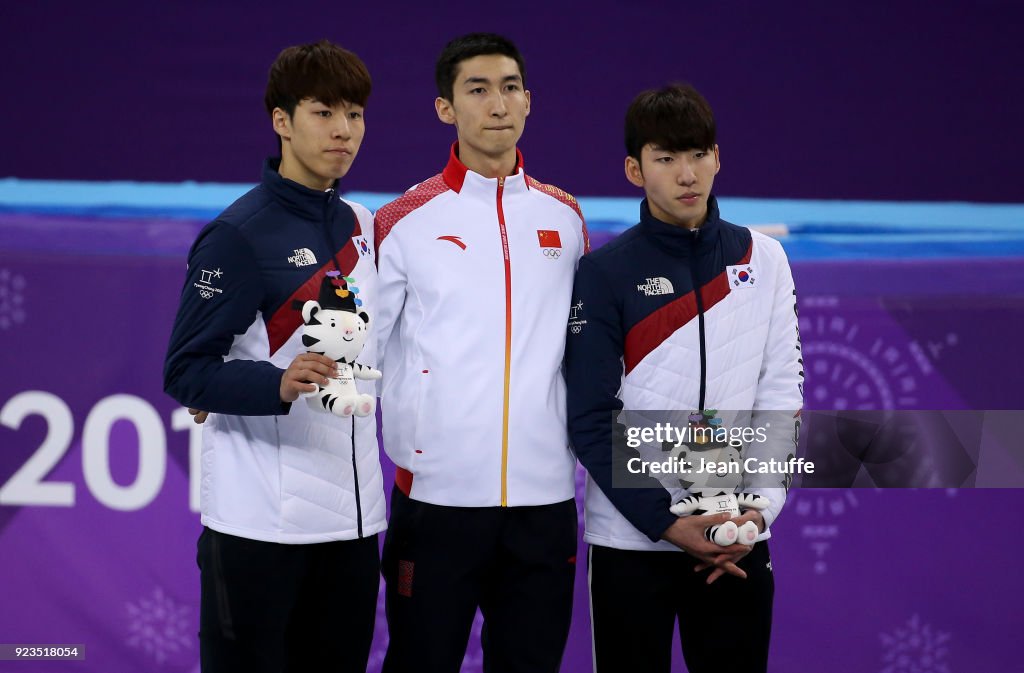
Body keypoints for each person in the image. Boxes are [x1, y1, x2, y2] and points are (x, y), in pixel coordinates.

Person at [564, 83, 804, 673]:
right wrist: (670, 524)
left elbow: (781, 398)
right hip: (630, 542)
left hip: (737, 536)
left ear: (717, 157)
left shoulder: (763, 260)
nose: (686, 174)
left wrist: (757, 513)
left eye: (697, 154)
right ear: (634, 168)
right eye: (665, 158)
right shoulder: (602, 273)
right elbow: (591, 419)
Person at [163, 40, 384, 673]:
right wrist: (276, 383)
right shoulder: (237, 235)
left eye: (356, 113)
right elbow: (185, 370)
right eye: (324, 112)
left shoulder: (363, 224)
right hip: (259, 530)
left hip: (353, 529)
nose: (344, 130)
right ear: (282, 120)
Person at [373, 33, 588, 673]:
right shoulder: (402, 221)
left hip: (544, 505)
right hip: (435, 503)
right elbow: (360, 353)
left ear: (529, 101)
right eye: (478, 89)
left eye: (510, 87)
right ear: (446, 108)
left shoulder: (567, 218)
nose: (498, 104)